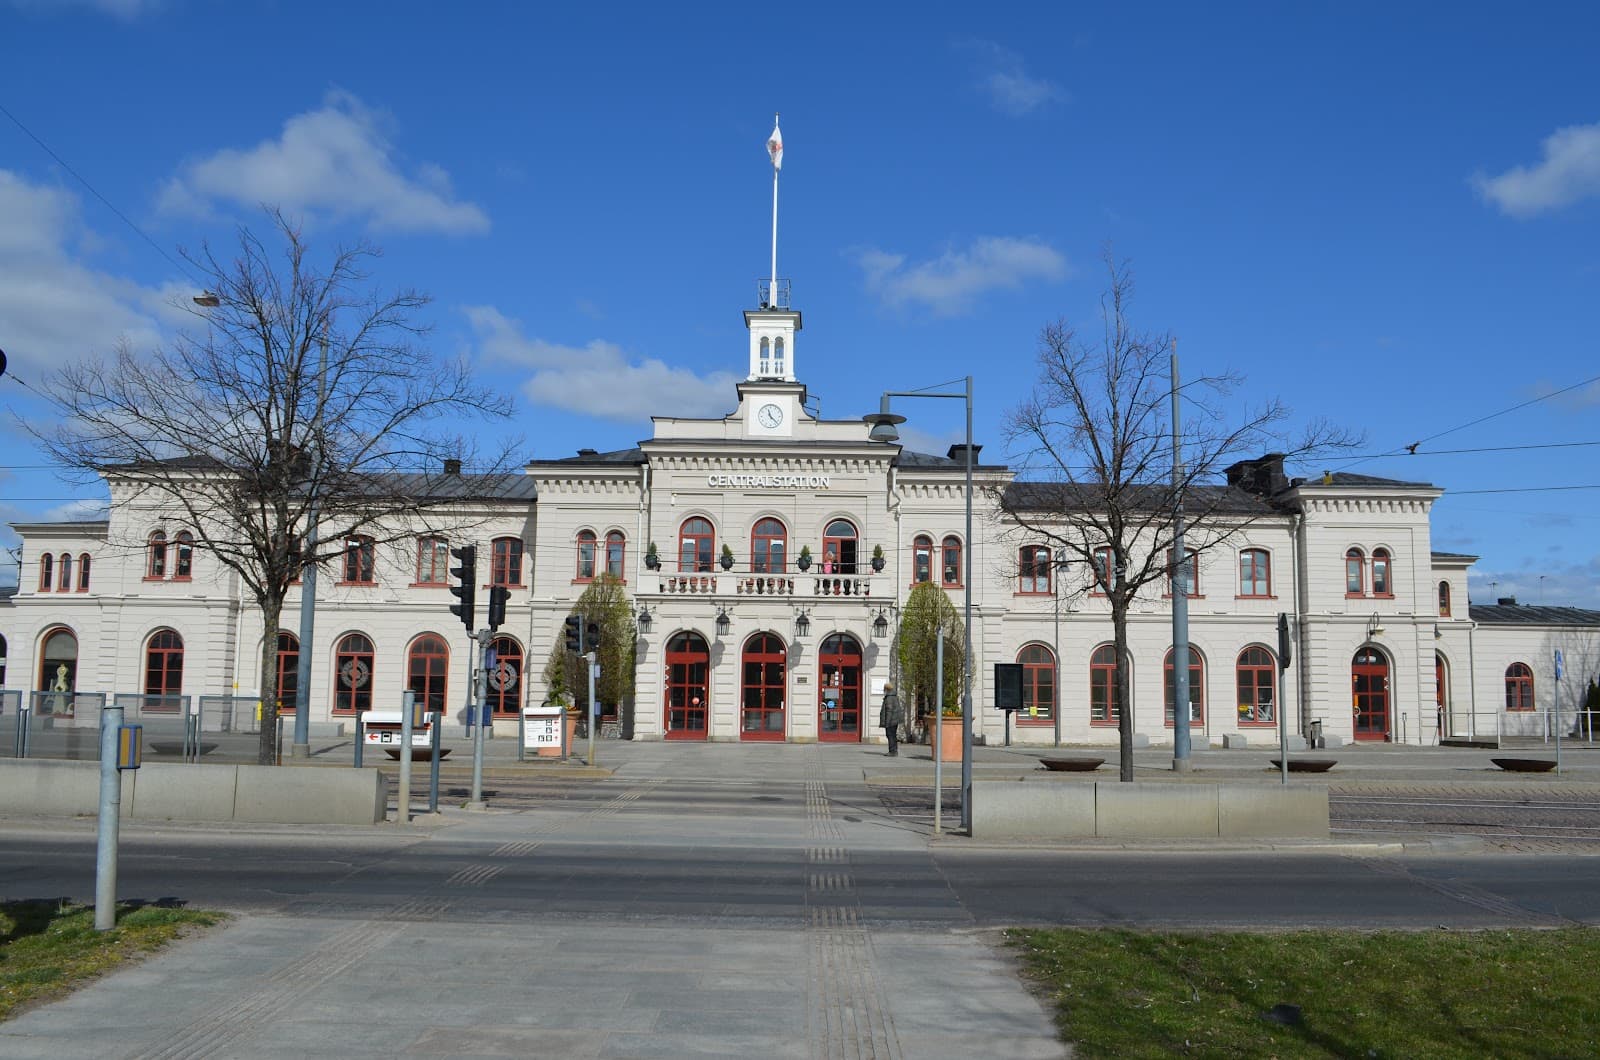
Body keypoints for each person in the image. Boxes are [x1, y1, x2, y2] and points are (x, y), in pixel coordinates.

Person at [878, 681, 904, 757]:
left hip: (891, 721)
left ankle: (892, 751)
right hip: (895, 720)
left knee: (890, 735)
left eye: (884, 689)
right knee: (893, 735)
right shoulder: (894, 696)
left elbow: (889, 710)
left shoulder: (889, 698)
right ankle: (894, 751)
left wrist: (887, 723)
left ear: (886, 689)